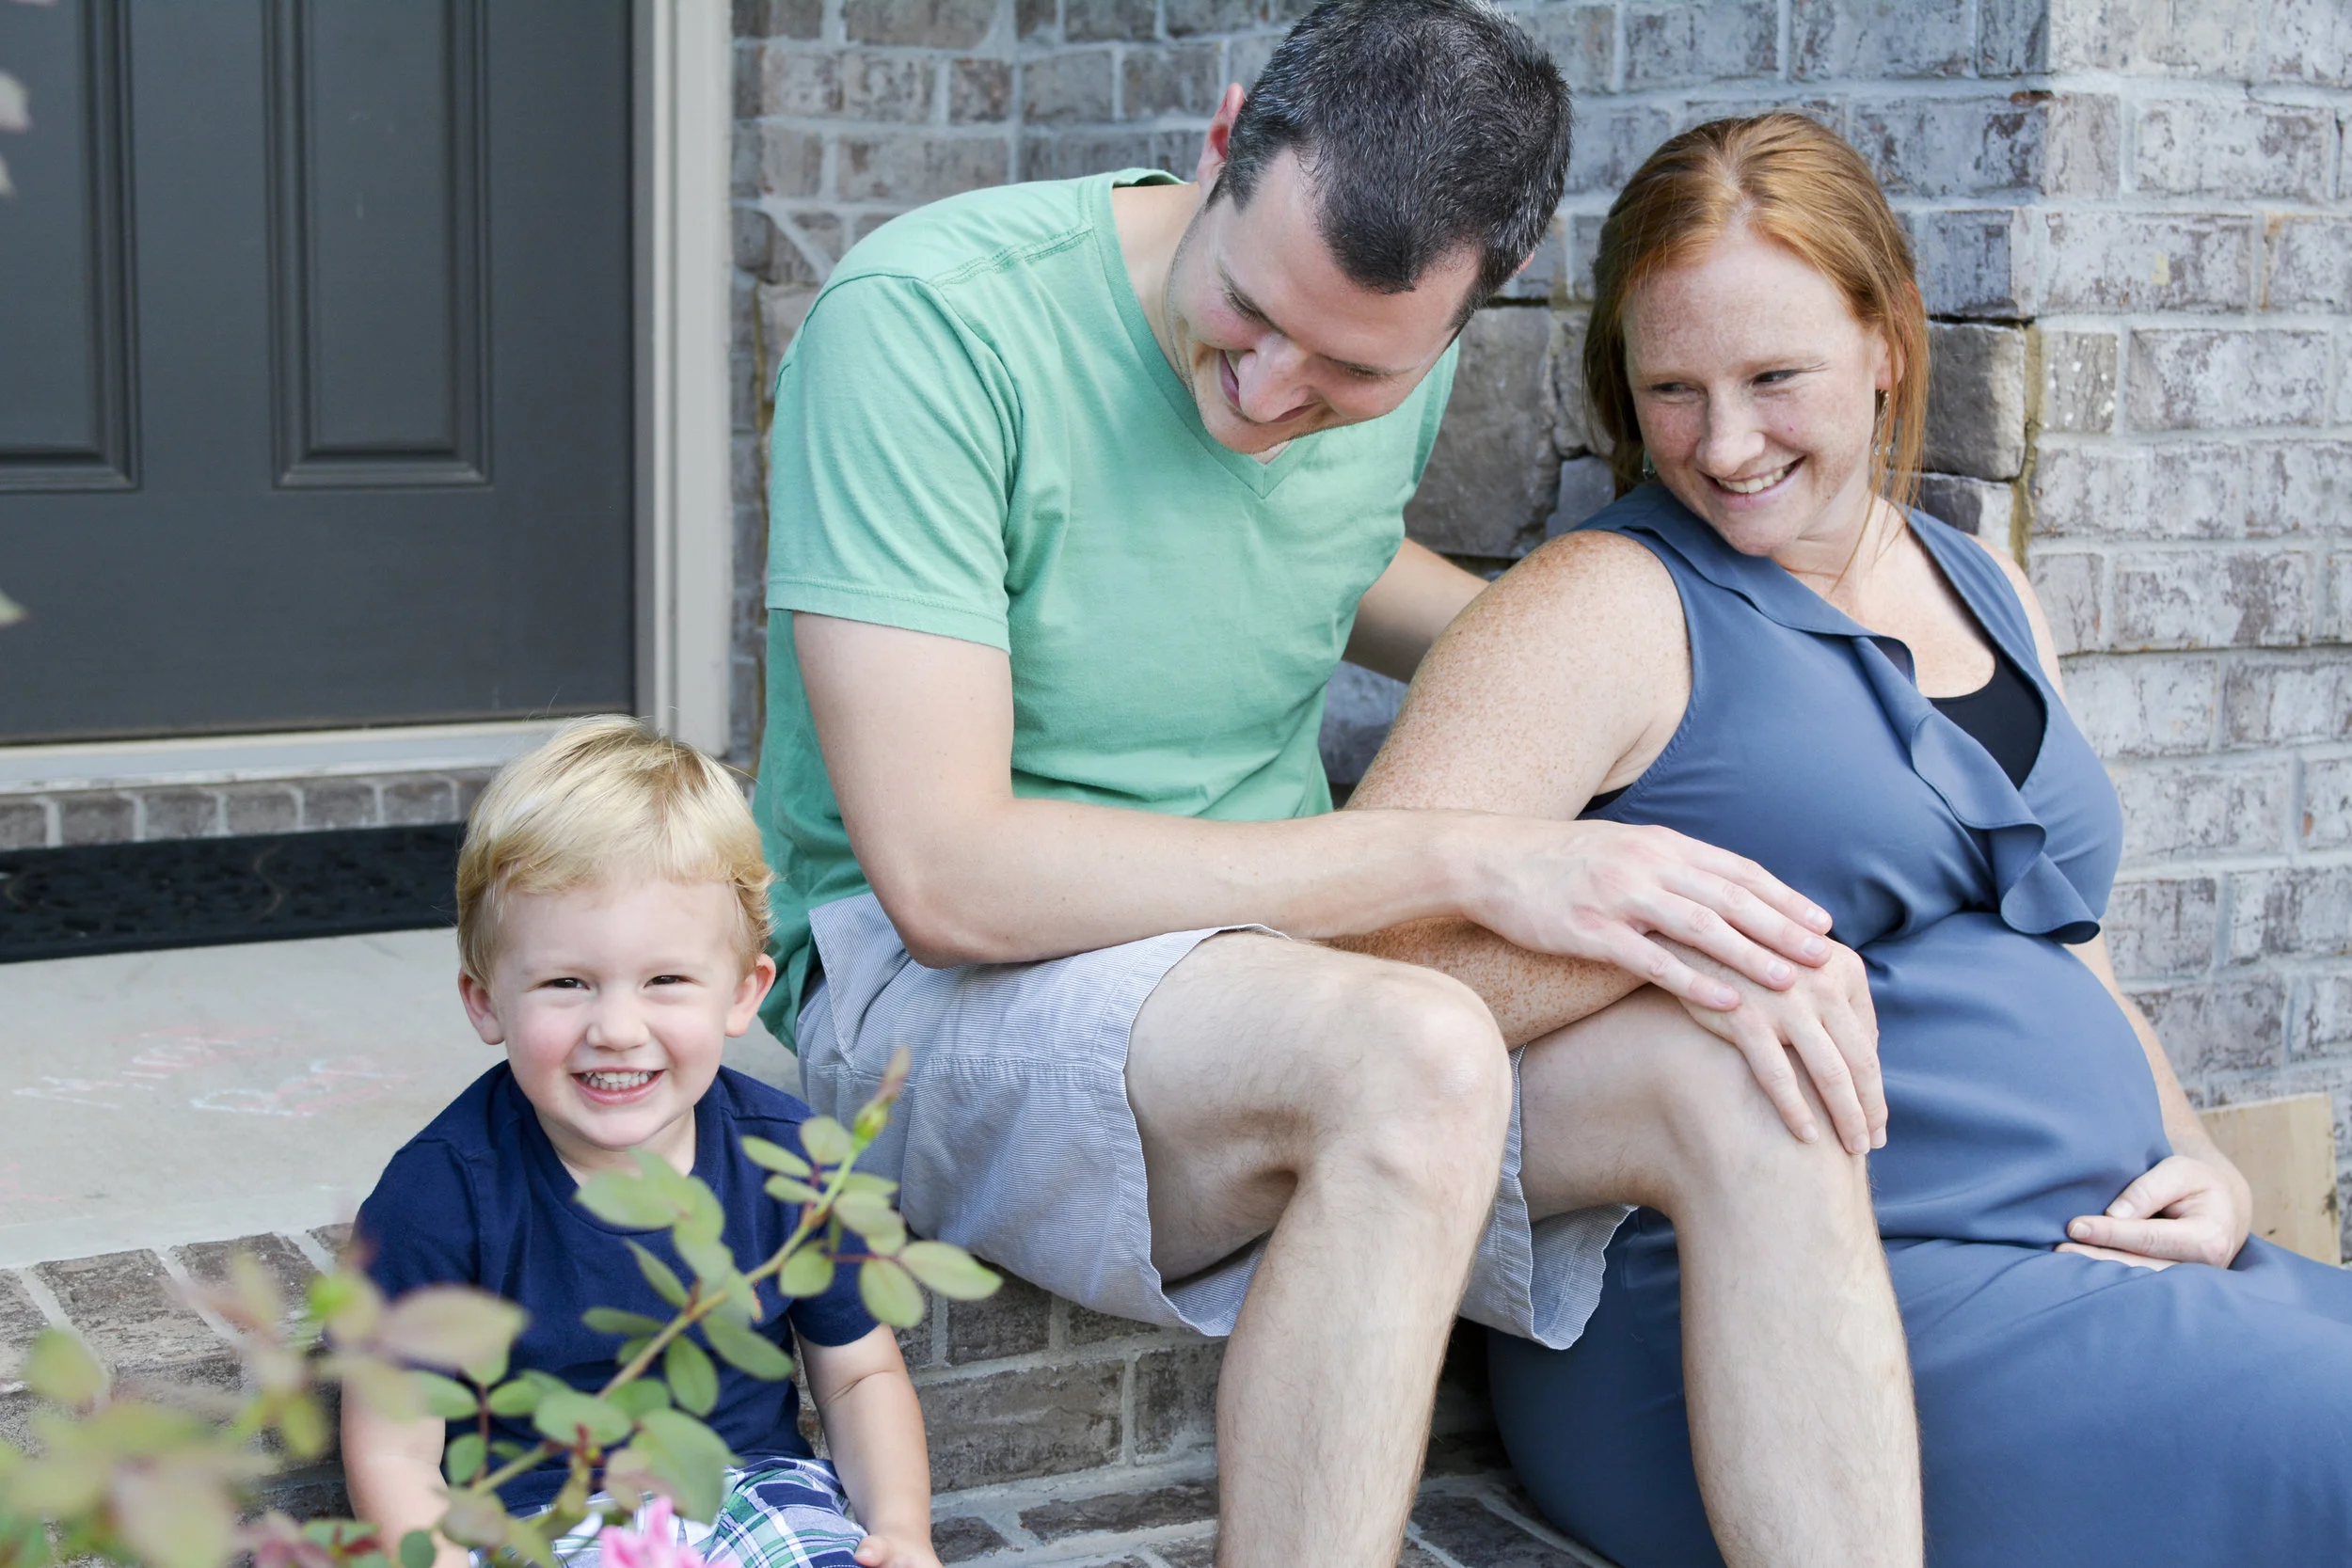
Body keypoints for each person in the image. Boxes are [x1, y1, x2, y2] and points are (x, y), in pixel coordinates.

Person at [756, 5, 1922, 1565]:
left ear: (1462, 321)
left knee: (1748, 1071)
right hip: (922, 998)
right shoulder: (929, 327)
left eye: (1349, 375)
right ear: (1223, 137)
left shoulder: (1390, 355)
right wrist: (1450, 860)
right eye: (1246, 315)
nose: (1266, 396)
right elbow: (949, 875)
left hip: (1253, 991)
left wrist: (1652, 663)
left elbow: (1321, 555)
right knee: (1418, 1047)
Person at [1348, 111, 2352, 1567]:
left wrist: (2193, 1142)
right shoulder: (1604, 604)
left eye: (1774, 377)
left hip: (2107, 1266)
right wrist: (1677, 951)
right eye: (1674, 388)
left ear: (1886, 341)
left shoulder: (1980, 579)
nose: (1727, 441)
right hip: (1791, 1315)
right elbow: (1366, 961)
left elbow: (2065, 936)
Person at [342, 718, 941, 1568]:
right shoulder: (441, 1195)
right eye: (566, 983)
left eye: (665, 980)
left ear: (742, 993)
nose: (617, 1028)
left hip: (750, 1490)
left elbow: (857, 1375)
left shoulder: (789, 1161)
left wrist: (902, 1530)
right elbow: (395, 1447)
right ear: (485, 1001)